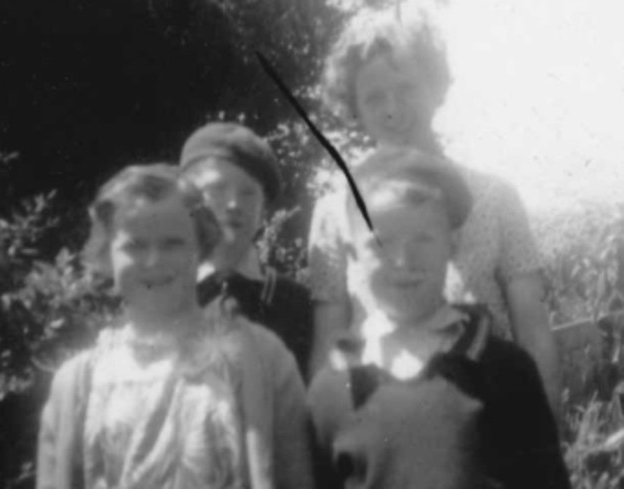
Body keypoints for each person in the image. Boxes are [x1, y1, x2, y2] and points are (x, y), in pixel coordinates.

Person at [308, 10, 561, 410]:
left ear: (435, 87)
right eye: (374, 96)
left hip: (492, 416)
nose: (393, 109)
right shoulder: (334, 210)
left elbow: (533, 328)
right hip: (382, 424)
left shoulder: (496, 196)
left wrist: (547, 437)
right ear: (354, 106)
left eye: (406, 88)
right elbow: (328, 346)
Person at [37, 163, 313, 489]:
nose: (153, 261)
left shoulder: (262, 360)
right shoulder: (77, 382)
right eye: (134, 245)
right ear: (106, 254)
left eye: (172, 243)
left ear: (201, 248)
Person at [308, 147, 570, 489]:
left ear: (453, 243)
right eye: (380, 242)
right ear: (353, 250)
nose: (403, 260)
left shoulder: (506, 370)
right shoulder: (331, 389)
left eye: (423, 239)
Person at [180, 122, 314, 379]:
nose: (233, 204)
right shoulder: (166, 292)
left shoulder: (298, 306)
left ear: (263, 208)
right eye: (217, 189)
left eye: (248, 193)